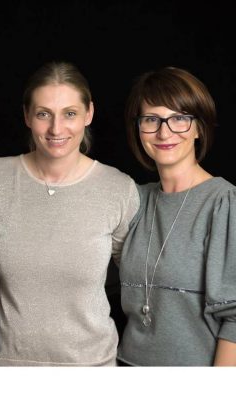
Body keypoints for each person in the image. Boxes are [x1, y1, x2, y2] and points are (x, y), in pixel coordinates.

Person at [0, 61, 139, 366]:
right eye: (43, 114)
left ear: (89, 113)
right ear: (27, 116)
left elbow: (139, 282)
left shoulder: (119, 188)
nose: (56, 129)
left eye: (70, 114)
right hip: (4, 366)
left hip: (90, 368)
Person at [118, 66, 236, 366]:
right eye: (151, 119)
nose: (164, 132)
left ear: (199, 128)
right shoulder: (133, 200)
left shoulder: (224, 203)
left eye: (180, 118)